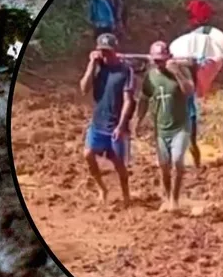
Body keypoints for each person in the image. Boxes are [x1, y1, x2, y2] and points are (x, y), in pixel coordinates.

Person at [135, 41, 195, 213]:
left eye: (162, 60)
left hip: (180, 126)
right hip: (161, 128)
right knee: (164, 166)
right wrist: (138, 121)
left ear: (169, 57)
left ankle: (175, 199)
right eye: (156, 60)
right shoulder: (150, 77)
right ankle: (167, 197)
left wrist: (177, 73)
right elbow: (144, 100)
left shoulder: (181, 71)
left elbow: (189, 91)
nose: (159, 63)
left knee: (177, 161)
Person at [80, 33, 135, 205]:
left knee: (119, 164)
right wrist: (91, 64)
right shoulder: (98, 68)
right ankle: (102, 189)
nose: (105, 55)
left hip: (115, 125)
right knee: (88, 154)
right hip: (98, 123)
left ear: (115, 50)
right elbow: (84, 88)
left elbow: (128, 100)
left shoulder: (125, 70)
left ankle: (126, 195)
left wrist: (121, 126)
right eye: (102, 51)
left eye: (108, 51)